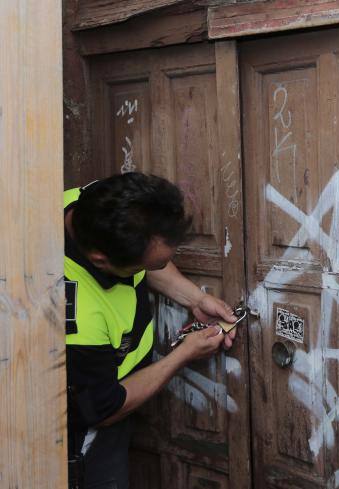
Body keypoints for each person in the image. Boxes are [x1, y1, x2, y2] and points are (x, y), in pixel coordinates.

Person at [64, 173, 237, 489]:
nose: (155, 271)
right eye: (147, 267)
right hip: (86, 430)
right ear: (100, 260)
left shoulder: (93, 202)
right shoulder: (77, 319)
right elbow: (104, 408)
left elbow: (147, 253)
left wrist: (195, 298)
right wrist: (182, 355)